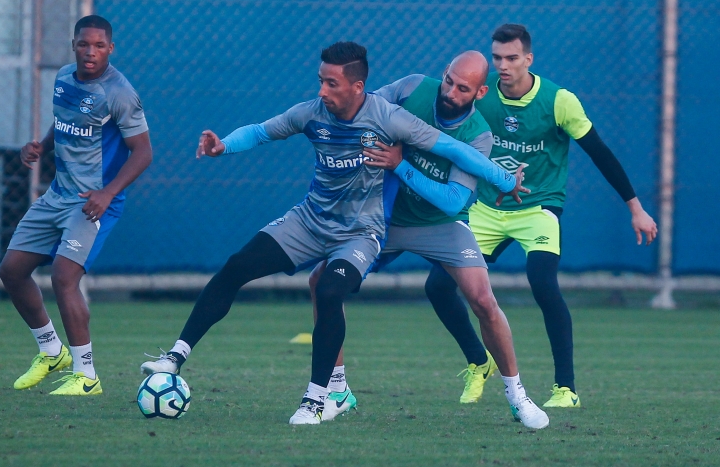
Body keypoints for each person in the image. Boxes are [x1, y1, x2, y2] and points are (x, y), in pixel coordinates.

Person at [141, 41, 525, 425]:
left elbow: (459, 154)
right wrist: (222, 146)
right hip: (310, 220)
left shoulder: (391, 119)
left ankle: (314, 400)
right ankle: (175, 357)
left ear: (357, 87)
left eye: (331, 84)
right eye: (321, 81)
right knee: (237, 266)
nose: (322, 91)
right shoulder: (314, 112)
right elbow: (261, 131)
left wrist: (504, 179)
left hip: (362, 232)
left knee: (329, 289)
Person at [307, 51, 549, 430]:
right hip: (383, 219)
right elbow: (363, 109)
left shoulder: (479, 135)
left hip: (440, 224)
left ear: (481, 92)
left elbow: (452, 200)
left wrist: (399, 163)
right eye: (449, 80)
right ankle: (337, 389)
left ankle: (518, 396)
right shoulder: (413, 88)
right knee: (321, 282)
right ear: (444, 72)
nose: (451, 91)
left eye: (463, 88)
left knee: (484, 301)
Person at [426, 24, 658, 408]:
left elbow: (599, 152)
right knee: (437, 286)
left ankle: (565, 389)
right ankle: (478, 361)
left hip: (538, 208)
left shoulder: (558, 100)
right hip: (487, 208)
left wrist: (635, 207)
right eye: (497, 57)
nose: (503, 65)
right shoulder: (480, 97)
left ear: (528, 59)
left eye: (512, 58)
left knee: (543, 284)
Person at [0, 15, 153, 395]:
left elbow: (144, 153)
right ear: (74, 44)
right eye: (84, 44)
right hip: (57, 194)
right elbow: (65, 122)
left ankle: (87, 375)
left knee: (64, 278)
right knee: (12, 271)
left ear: (110, 49)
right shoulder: (64, 78)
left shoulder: (119, 92)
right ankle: (52, 351)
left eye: (99, 46)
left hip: (93, 202)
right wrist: (42, 146)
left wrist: (108, 193)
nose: (91, 52)